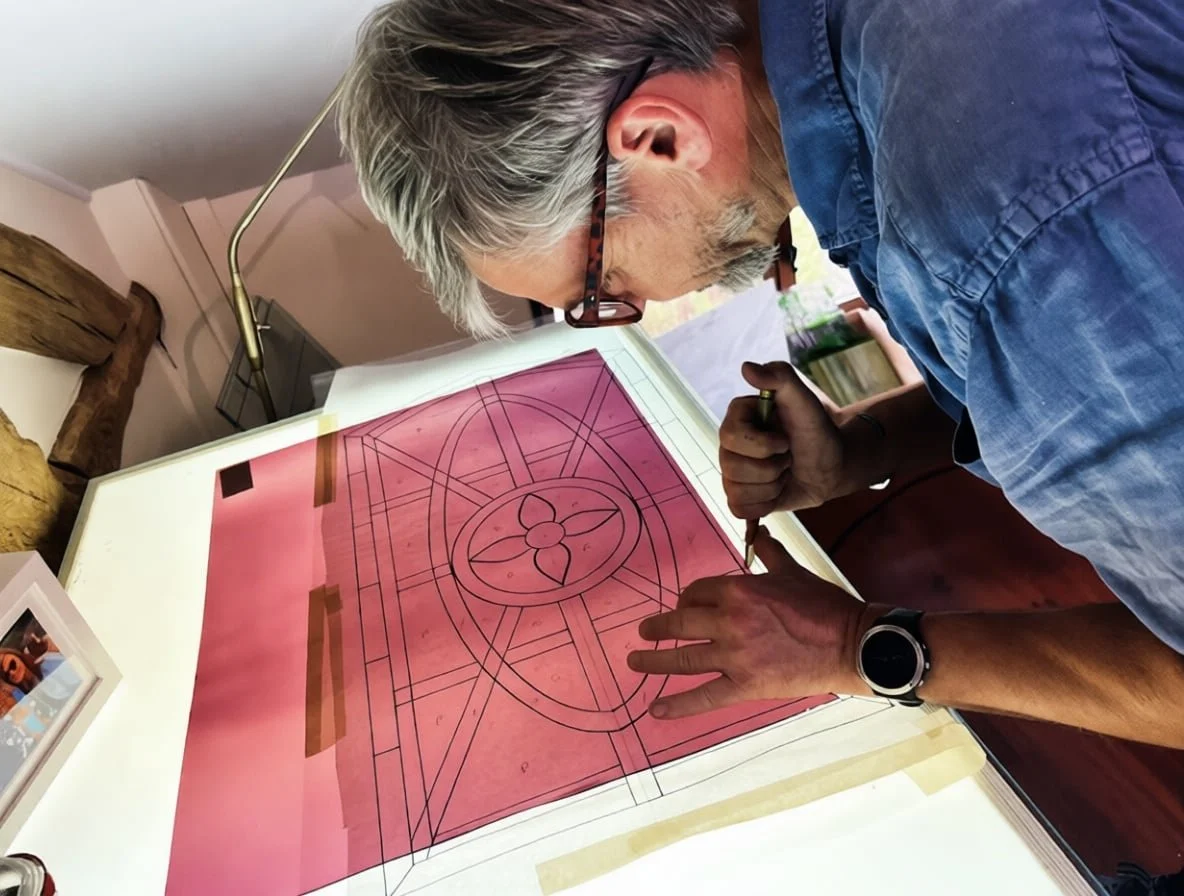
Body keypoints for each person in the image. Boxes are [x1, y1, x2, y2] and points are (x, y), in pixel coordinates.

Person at [336, 0, 1184, 756]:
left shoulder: (998, 220)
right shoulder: (886, 60)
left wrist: (854, 647)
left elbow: (1033, 294)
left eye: (601, 290)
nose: (640, 303)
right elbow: (1067, 351)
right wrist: (866, 445)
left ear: (658, 137)